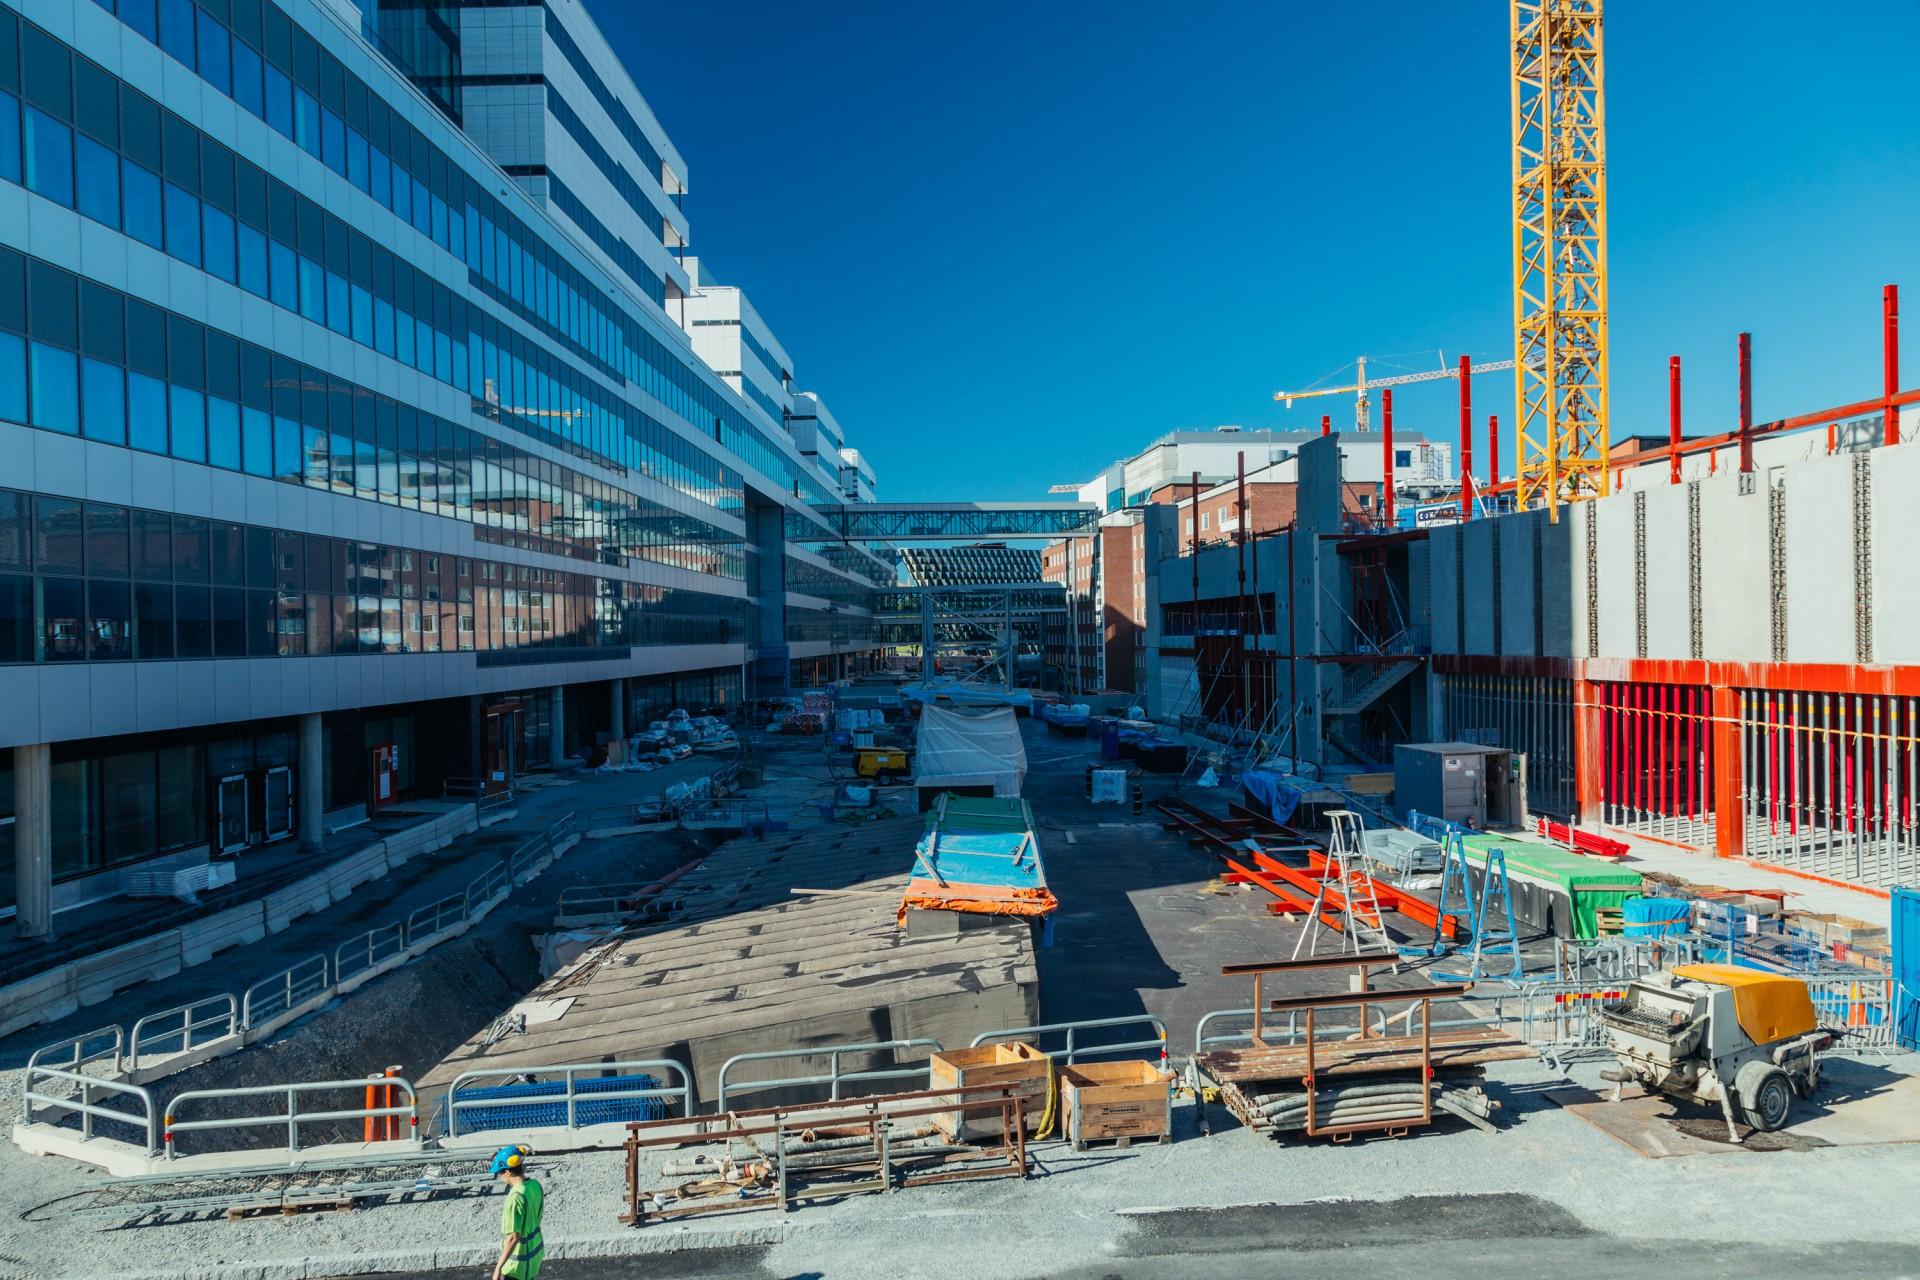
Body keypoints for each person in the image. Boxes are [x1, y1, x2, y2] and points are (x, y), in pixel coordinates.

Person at [489, 1144, 544, 1280]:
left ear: (508, 1172)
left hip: (518, 1264)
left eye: (499, 1173)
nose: (500, 1177)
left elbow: (513, 1237)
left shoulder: (515, 1197)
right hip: (533, 1257)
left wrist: (498, 1269)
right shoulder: (535, 1185)